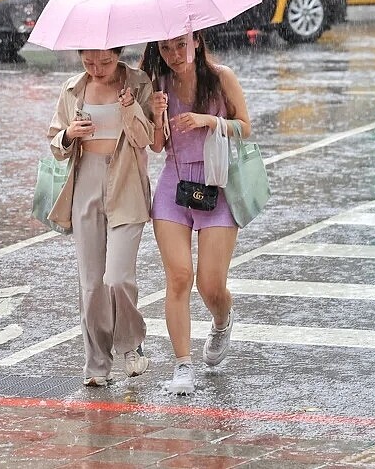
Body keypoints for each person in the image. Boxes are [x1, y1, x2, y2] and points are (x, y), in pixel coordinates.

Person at [139, 32, 251, 395]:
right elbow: (157, 147)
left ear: (197, 41)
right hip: (175, 186)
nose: (174, 54)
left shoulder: (221, 78)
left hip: (217, 184)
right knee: (179, 277)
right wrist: (156, 115)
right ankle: (182, 365)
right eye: (165, 47)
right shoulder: (158, 85)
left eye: (180, 45)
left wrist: (209, 121)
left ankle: (222, 318)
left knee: (210, 284)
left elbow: (245, 128)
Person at [46, 47, 155, 387]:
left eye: (105, 61)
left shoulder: (138, 83)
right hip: (86, 183)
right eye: (88, 61)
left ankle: (131, 343)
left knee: (117, 278)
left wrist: (131, 108)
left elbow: (147, 139)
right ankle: (96, 363)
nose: (97, 68)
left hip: (126, 183)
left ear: (118, 53)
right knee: (92, 285)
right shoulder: (72, 88)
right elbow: (55, 143)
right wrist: (70, 134)